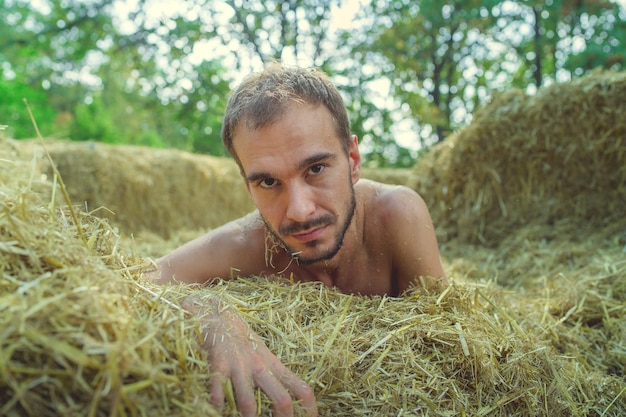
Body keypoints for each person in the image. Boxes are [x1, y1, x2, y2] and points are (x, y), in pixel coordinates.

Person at [149, 63, 448, 417]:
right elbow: (131, 283)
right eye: (269, 183)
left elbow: (448, 341)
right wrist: (210, 315)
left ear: (353, 160)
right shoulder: (247, 244)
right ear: (248, 187)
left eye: (316, 169)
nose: (300, 212)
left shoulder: (397, 216)